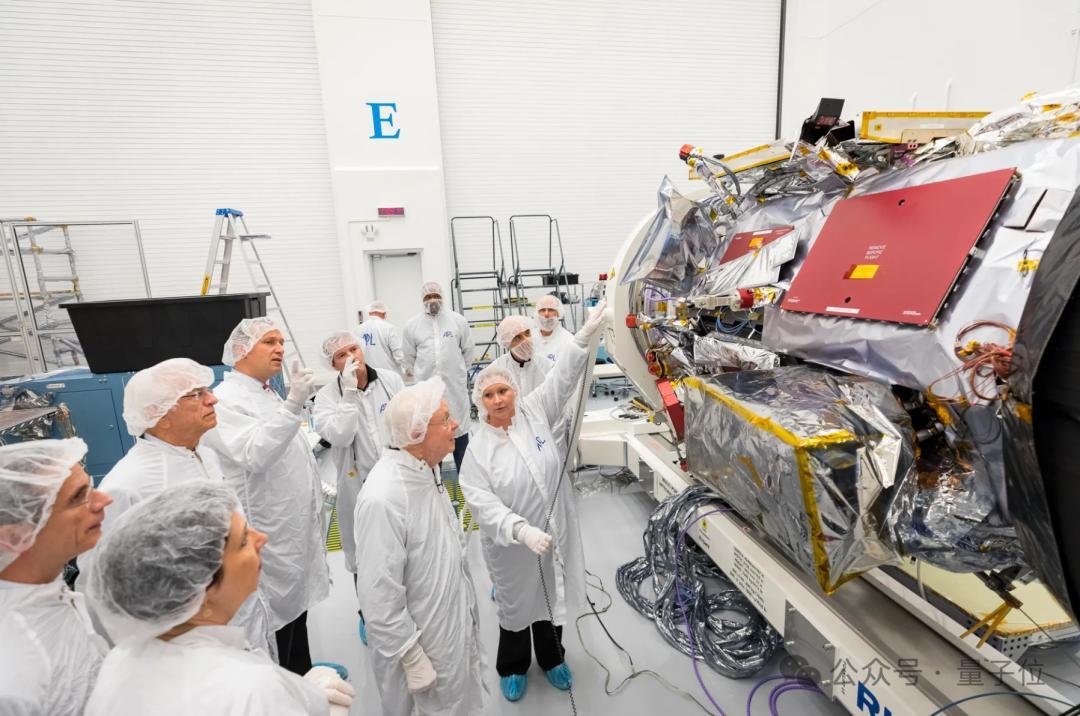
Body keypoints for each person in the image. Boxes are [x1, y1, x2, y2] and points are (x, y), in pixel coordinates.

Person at [85, 481, 355, 715]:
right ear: (200, 592)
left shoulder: (118, 663)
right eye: (243, 541)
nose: (261, 538)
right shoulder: (250, 689)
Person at [458, 300, 608, 702]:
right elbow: (481, 503)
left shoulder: (535, 410)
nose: (498, 399)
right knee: (516, 606)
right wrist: (520, 530)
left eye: (503, 390)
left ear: (515, 390)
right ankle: (512, 666)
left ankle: (553, 658)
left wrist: (582, 337)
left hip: (553, 530)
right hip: (512, 548)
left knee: (551, 598)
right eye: (489, 394)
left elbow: (563, 377)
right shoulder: (478, 450)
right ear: (480, 401)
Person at [204, 317, 329, 675]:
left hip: (290, 527)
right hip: (267, 530)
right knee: (276, 620)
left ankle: (304, 675)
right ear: (241, 350)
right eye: (269, 342)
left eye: (281, 342)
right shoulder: (226, 401)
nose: (279, 349)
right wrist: (293, 405)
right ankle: (290, 682)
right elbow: (255, 453)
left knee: (297, 610)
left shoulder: (264, 391)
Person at [354, 378, 486, 716]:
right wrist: (411, 656)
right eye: (444, 419)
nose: (455, 425)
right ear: (416, 433)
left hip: (446, 627)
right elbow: (378, 596)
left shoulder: (425, 470)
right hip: (423, 647)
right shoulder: (385, 497)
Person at [0, 438, 112, 715]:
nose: (104, 500)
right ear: (15, 535)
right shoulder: (13, 678)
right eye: (78, 497)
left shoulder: (46, 587)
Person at [312, 330, 403, 644]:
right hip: (357, 487)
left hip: (398, 481)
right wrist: (349, 394)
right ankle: (368, 613)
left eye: (354, 349)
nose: (351, 357)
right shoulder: (327, 397)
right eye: (341, 355)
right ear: (333, 365)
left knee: (401, 546)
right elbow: (339, 436)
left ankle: (402, 609)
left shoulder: (390, 381)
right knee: (362, 554)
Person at [402, 281, 474, 471]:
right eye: (428, 297)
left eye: (436, 296)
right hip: (427, 392)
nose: (432, 300)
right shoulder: (412, 325)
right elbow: (408, 357)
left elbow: (468, 352)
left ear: (442, 297)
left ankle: (465, 481)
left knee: (459, 434)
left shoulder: (458, 321)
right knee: (431, 436)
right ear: (422, 300)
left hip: (454, 389)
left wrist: (458, 373)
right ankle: (435, 481)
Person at [532, 294, 579, 455]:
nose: (546, 314)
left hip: (558, 402)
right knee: (534, 444)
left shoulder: (568, 340)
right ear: (536, 313)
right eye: (542, 310)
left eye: (551, 310)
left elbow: (573, 376)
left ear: (559, 313)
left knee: (556, 445)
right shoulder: (529, 338)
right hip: (533, 400)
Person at [491, 314, 549, 398]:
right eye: (517, 337)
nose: (526, 340)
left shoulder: (547, 366)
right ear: (507, 343)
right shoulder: (496, 370)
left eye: (527, 333)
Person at [358, 301, 409, 379]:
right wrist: (408, 367)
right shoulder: (388, 328)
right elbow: (398, 354)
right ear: (383, 313)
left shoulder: (357, 330)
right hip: (390, 375)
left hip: (369, 377)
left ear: (370, 313)